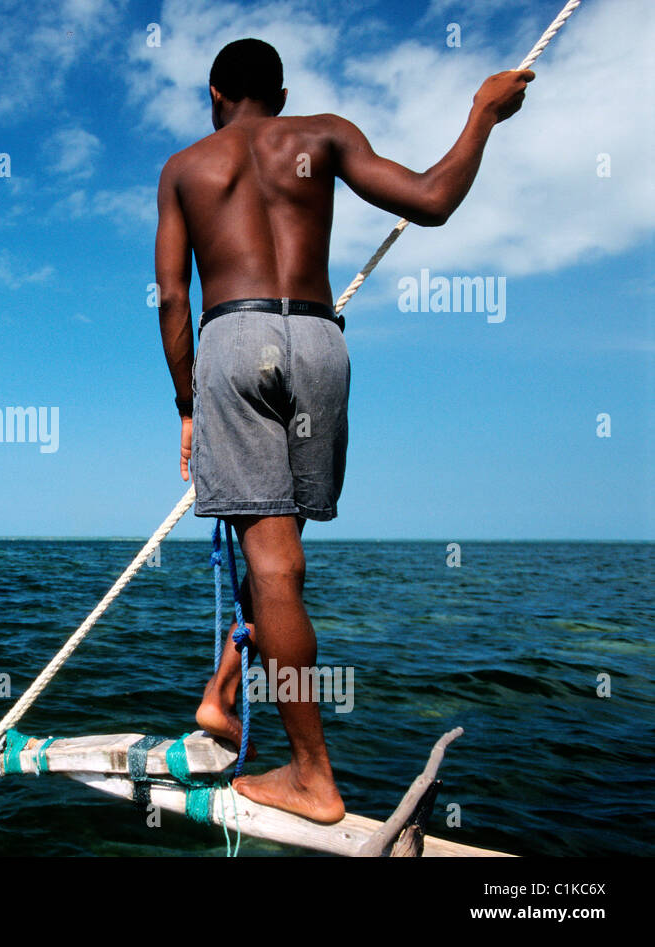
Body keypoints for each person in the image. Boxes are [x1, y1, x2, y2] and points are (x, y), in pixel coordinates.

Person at [155, 38, 532, 823]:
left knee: (273, 563)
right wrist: (483, 114)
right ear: (282, 96)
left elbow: (169, 297)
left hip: (234, 338)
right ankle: (224, 690)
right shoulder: (322, 134)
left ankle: (310, 774)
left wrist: (188, 403)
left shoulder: (185, 167)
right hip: (319, 341)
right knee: (282, 561)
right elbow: (431, 199)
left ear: (216, 92)